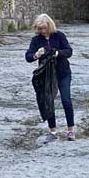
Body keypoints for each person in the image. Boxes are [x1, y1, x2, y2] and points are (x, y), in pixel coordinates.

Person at [25, 14, 75, 143]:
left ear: (49, 25)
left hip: (63, 73)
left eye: (44, 28)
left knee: (66, 100)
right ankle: (53, 132)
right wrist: (36, 54)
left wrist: (58, 53)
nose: (42, 31)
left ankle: (70, 130)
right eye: (39, 29)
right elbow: (28, 56)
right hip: (46, 75)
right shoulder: (36, 40)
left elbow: (69, 51)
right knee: (49, 102)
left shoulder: (59, 35)